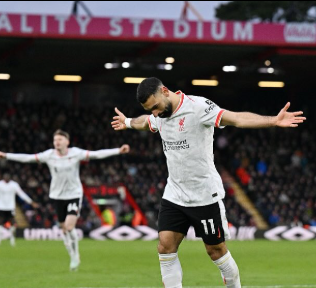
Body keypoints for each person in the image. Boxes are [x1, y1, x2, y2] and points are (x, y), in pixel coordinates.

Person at [111, 77, 305, 288]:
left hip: (204, 195)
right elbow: (145, 122)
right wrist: (128, 122)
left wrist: (272, 121)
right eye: (151, 110)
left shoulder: (198, 107)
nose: (155, 113)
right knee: (165, 247)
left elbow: (236, 118)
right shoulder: (160, 115)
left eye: (155, 107)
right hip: (174, 194)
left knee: (216, 251)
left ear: (165, 91)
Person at [0, 129, 130, 271]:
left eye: (60, 140)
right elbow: (28, 158)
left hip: (74, 194)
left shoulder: (76, 153)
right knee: (64, 230)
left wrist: (118, 151)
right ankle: (72, 253)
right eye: (55, 140)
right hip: (58, 196)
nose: (57, 142)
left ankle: (75, 255)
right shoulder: (49, 155)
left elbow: (96, 154)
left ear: (67, 142)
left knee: (69, 226)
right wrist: (6, 156)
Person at [0, 173, 39, 247]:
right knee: (0, 223)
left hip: (10, 207)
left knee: (12, 224)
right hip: (1, 207)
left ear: (10, 178)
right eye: (5, 177)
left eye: (8, 177)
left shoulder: (14, 185)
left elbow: (22, 194)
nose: (6, 178)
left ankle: (12, 239)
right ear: (3, 178)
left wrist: (31, 202)